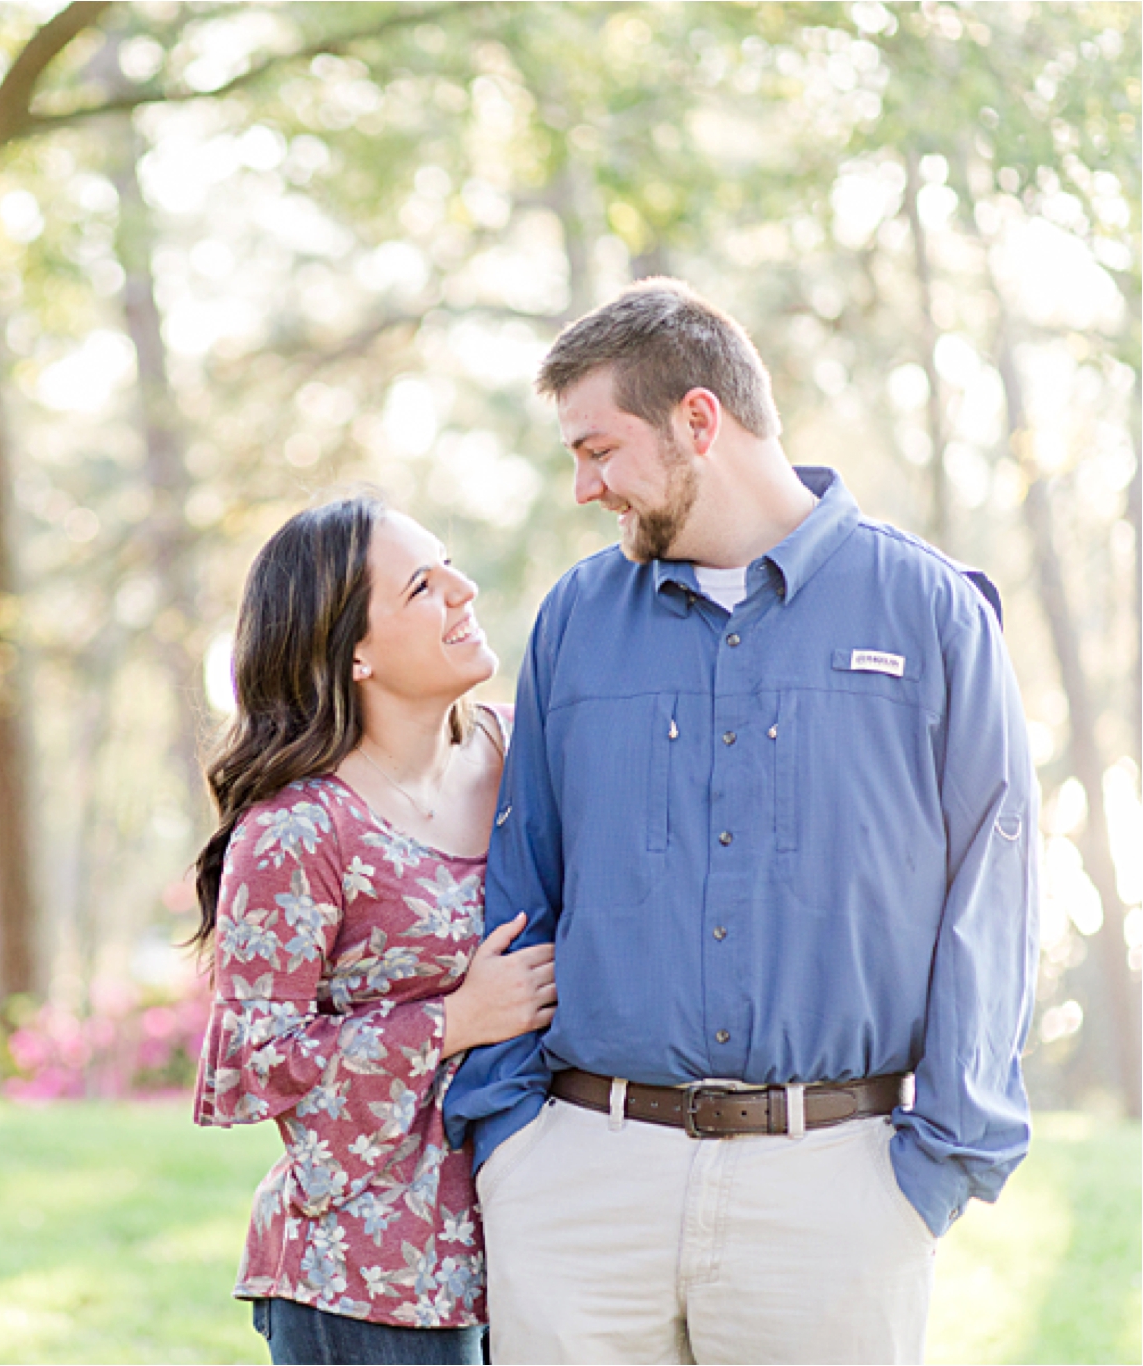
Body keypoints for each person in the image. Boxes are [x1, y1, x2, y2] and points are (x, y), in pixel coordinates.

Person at [444, 279, 1040, 1364]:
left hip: (835, 1189)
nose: (584, 487)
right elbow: (522, 876)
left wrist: (938, 1161)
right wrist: (507, 1141)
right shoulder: (576, 618)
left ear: (697, 421)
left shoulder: (928, 611)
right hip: (579, 1184)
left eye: (597, 449)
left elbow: (989, 894)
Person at [191, 495, 558, 1366]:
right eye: (424, 586)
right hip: (364, 1282)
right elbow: (254, 1058)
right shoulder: (298, 831)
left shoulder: (526, 758)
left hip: (533, 1252)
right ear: (353, 649)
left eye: (450, 565)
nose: (465, 591)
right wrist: (453, 1022)